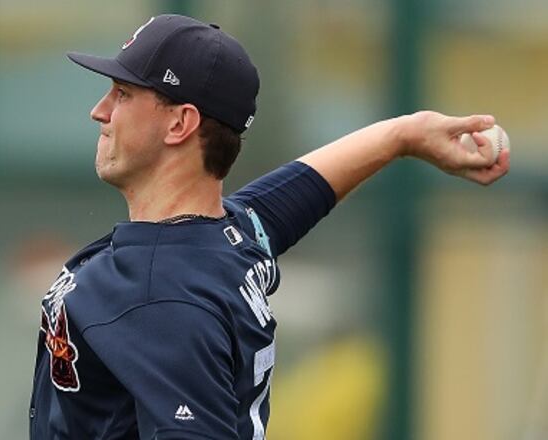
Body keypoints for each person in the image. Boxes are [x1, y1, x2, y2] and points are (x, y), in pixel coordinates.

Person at [29, 14, 509, 439]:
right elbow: (296, 194)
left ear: (180, 125)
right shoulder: (224, 240)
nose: (101, 110)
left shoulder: (161, 296)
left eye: (123, 94)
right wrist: (402, 135)